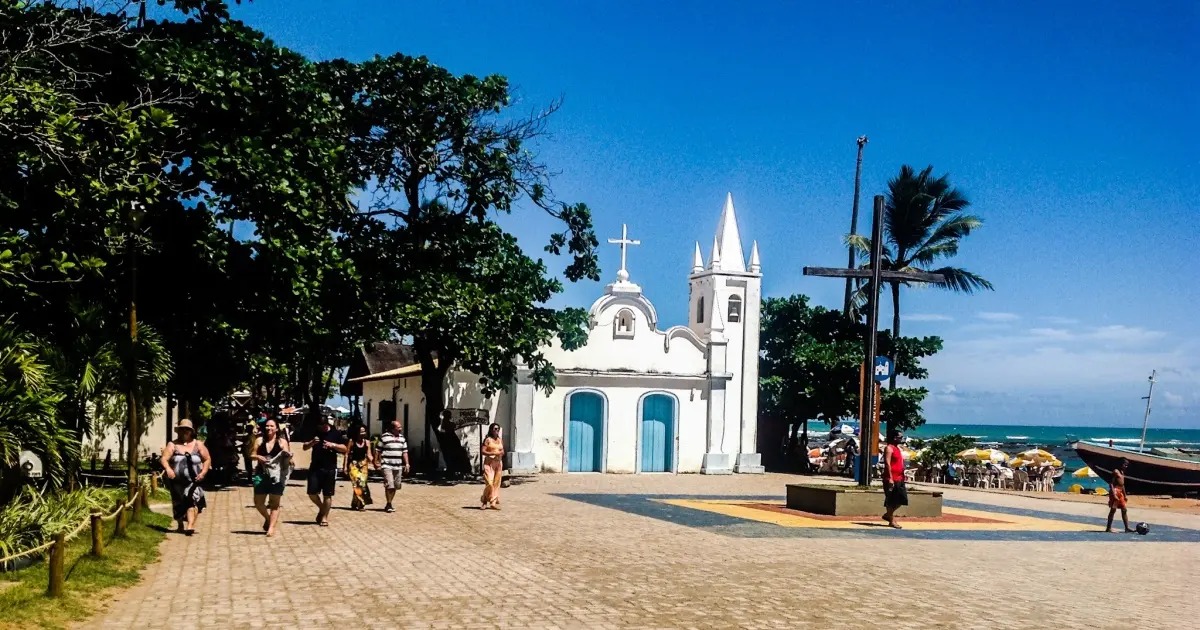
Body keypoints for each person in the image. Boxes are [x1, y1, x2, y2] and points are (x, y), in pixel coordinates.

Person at [160, 419, 211, 535]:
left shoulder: (198, 444)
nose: (184, 432)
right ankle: (180, 525)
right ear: (178, 431)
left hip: (194, 481)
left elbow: (207, 459)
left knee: (191, 500)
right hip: (177, 481)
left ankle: (190, 525)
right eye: (182, 429)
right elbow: (164, 459)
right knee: (178, 503)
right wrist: (168, 469)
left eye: (187, 430)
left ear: (191, 432)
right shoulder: (172, 445)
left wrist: (203, 472)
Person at [303, 416, 346, 526]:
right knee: (312, 493)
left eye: (323, 426)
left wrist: (333, 445)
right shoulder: (315, 432)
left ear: (327, 424)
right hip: (315, 467)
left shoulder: (335, 433)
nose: (322, 428)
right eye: (319, 426)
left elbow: (345, 449)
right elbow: (304, 447)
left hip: (330, 467)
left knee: (327, 494)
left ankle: (324, 517)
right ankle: (322, 509)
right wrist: (312, 442)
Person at [252, 418, 291, 537]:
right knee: (258, 502)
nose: (269, 428)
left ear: (277, 428)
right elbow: (252, 455)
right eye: (267, 426)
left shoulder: (282, 442)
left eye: (272, 426)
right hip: (261, 474)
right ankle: (268, 518)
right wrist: (258, 457)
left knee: (275, 503)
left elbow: (287, 457)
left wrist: (289, 456)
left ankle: (271, 528)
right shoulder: (259, 440)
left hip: (277, 475)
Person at [374, 419, 410, 513]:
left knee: (396, 485)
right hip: (387, 464)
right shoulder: (384, 437)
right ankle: (389, 503)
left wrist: (407, 463)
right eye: (398, 427)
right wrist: (376, 461)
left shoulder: (402, 438)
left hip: (398, 466)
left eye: (400, 427)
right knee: (390, 484)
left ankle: (389, 502)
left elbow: (405, 452)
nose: (400, 429)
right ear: (393, 429)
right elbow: (378, 450)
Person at [881, 429, 908, 529]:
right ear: (894, 438)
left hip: (900, 478)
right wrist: (890, 478)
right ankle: (891, 521)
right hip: (891, 478)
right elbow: (887, 464)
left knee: (902, 499)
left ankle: (888, 515)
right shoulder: (889, 448)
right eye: (900, 437)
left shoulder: (897, 448)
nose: (901, 439)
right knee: (891, 500)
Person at [344, 424, 374, 511]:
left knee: (362, 484)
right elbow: (347, 454)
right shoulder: (351, 441)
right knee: (357, 483)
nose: (363, 433)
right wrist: (345, 467)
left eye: (364, 431)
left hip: (363, 465)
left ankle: (354, 502)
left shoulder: (367, 442)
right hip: (353, 465)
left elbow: (369, 455)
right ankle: (361, 503)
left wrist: (375, 463)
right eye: (361, 431)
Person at [1105, 457, 1135, 533]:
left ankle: (1127, 528)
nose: (1126, 467)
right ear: (1121, 464)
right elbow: (1111, 483)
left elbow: (1122, 485)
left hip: (1120, 492)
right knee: (1113, 510)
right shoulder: (1116, 471)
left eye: (1127, 465)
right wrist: (1114, 494)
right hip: (1115, 491)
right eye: (1125, 465)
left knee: (1124, 509)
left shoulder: (1122, 472)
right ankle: (1108, 528)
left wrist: (1125, 495)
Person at [480, 424, 505, 510]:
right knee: (489, 483)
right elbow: (483, 451)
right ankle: (484, 500)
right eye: (495, 429)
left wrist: (501, 453)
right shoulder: (488, 440)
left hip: (498, 463)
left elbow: (502, 451)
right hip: (489, 463)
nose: (497, 430)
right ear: (491, 430)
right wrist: (493, 453)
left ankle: (493, 502)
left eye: (498, 429)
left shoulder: (500, 440)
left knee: (496, 483)